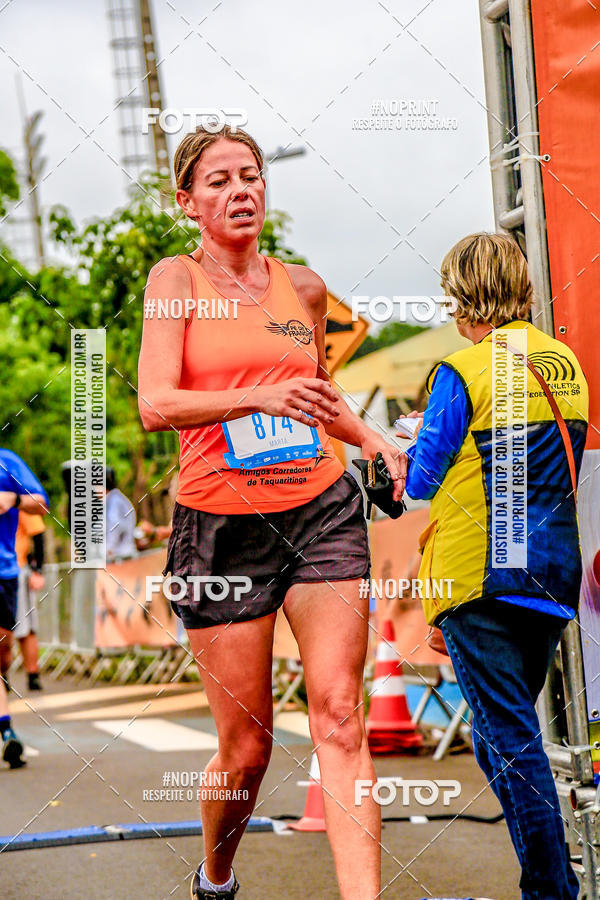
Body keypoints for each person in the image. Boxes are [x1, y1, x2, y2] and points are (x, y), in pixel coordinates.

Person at [138, 125, 406, 900]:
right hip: (221, 527)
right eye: (218, 181)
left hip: (320, 509)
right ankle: (216, 875)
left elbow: (315, 395)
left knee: (340, 715)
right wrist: (257, 393)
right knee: (246, 749)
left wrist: (372, 439)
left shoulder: (305, 289)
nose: (240, 190)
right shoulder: (175, 281)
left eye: (250, 176)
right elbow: (157, 402)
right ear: (187, 202)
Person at [400, 233, 587, 900]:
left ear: (463, 297)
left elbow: (419, 481)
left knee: (509, 738)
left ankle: (549, 891)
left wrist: (412, 440)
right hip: (549, 574)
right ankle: (551, 877)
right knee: (496, 735)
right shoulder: (564, 362)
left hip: (479, 574)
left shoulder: (464, 369)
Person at [0, 448, 49, 768]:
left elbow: (42, 505)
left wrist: (13, 500)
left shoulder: (8, 461)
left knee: (3, 653)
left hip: (5, 572)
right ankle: (6, 732)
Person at [0, 511, 46, 693]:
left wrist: (38, 570)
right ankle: (3, 676)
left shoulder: (16, 496)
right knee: (4, 633)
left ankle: (33, 675)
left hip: (15, 571)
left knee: (24, 627)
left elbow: (38, 534)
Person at [105, 466, 137, 562]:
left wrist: (108, 549)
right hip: (123, 555)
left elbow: (115, 526)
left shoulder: (114, 501)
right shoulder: (116, 498)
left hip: (122, 557)